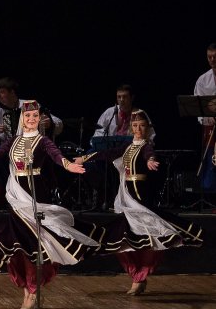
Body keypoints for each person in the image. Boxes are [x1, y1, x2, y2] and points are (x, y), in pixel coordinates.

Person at [0, 100, 101, 309]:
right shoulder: (13, 141)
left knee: (34, 243)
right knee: (19, 244)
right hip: (16, 196)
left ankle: (32, 290)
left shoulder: (43, 141)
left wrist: (68, 165)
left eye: (34, 116)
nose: (31, 119)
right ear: (22, 119)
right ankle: (26, 288)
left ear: (39, 118)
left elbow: (56, 155)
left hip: (34, 194)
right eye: (27, 116)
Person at [77, 110, 203, 295]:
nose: (138, 129)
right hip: (128, 200)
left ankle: (140, 276)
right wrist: (85, 158)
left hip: (141, 200)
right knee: (120, 240)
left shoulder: (146, 146)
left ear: (148, 128)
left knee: (149, 238)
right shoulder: (127, 147)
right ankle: (137, 276)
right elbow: (107, 153)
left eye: (142, 126)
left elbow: (149, 154)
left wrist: (151, 160)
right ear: (130, 128)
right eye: (135, 126)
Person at [0, 77, 63, 211]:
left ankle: (27, 198)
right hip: (8, 151)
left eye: (2, 92)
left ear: (12, 92)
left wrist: (49, 123)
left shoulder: (30, 106)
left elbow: (58, 122)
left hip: (30, 149)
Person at [193, 42, 216, 192]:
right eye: (209, 57)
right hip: (211, 128)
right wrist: (207, 118)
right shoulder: (203, 80)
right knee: (210, 160)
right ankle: (209, 196)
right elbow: (198, 108)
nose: (212, 59)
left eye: (215, 56)